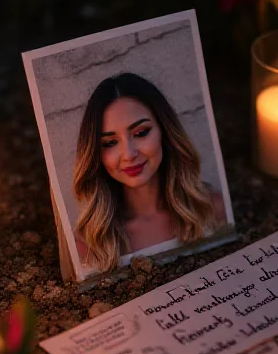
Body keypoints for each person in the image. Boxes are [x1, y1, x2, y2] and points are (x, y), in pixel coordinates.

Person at [73, 73, 227, 272]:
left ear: (164, 130)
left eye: (140, 133)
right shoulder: (88, 244)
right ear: (96, 154)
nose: (128, 154)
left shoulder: (213, 209)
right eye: (110, 143)